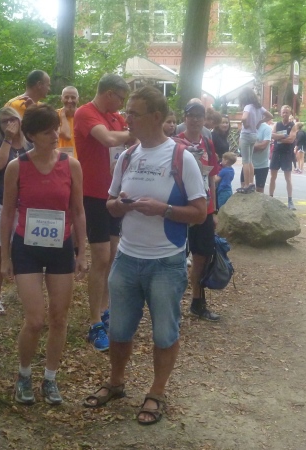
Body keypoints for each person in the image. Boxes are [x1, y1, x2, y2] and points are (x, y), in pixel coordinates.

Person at [83, 86, 207, 425]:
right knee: (119, 330)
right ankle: (116, 383)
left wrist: (163, 209)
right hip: (126, 258)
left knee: (164, 332)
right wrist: (120, 205)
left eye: (134, 113)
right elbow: (109, 204)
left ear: (155, 117)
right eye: (127, 112)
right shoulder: (127, 156)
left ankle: (156, 392)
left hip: (166, 262)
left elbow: (200, 212)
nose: (127, 119)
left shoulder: (182, 157)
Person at [0, 104, 88, 405]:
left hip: (60, 247)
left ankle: (50, 378)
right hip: (27, 248)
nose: (55, 135)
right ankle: (24, 374)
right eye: (48, 131)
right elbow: (7, 212)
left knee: (59, 317)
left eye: (56, 128)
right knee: (35, 319)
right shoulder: (17, 167)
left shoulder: (71, 165)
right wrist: (5, 257)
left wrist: (82, 251)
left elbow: (78, 210)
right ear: (32, 135)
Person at [74, 74, 133, 352]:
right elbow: (108, 139)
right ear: (109, 93)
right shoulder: (86, 113)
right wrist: (134, 133)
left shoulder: (116, 117)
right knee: (100, 257)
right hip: (93, 195)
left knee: (112, 255)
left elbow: (128, 145)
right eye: (120, 98)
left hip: (114, 194)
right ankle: (94, 322)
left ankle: (105, 308)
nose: (121, 104)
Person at [0, 107, 32, 315]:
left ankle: (25, 292)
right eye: (4, 121)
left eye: (13, 119)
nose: (10, 124)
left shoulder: (30, 143)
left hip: (25, 204)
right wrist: (8, 139)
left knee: (23, 249)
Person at [178, 103, 221, 321]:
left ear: (205, 119)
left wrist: (214, 210)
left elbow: (212, 177)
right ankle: (172, 304)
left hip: (203, 208)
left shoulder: (208, 144)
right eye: (191, 115)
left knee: (202, 256)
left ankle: (197, 301)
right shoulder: (176, 143)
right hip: (181, 207)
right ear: (185, 117)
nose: (195, 120)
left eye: (199, 116)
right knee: (176, 256)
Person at [236, 88, 272, 193]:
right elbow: (270, 116)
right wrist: (260, 121)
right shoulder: (259, 107)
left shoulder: (248, 107)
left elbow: (244, 118)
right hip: (254, 135)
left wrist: (245, 124)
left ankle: (246, 184)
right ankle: (251, 183)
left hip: (246, 135)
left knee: (245, 161)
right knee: (250, 160)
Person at [269, 106, 298, 210]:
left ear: (289, 113)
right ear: (281, 113)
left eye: (286, 112)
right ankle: (270, 198)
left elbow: (291, 139)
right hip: (276, 152)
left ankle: (290, 200)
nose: (285, 114)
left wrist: (278, 138)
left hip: (287, 153)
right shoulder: (277, 124)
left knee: (288, 178)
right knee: (273, 177)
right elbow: (272, 135)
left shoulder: (293, 125)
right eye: (283, 112)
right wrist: (284, 136)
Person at [240, 120, 271, 193]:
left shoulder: (267, 128)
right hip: (247, 164)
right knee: (244, 185)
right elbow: (241, 144)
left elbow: (263, 146)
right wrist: (254, 146)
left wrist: (248, 146)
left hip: (262, 165)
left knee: (259, 189)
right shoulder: (246, 126)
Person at [57, 85, 79, 156]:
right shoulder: (54, 115)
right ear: (61, 98)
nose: (69, 101)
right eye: (66, 97)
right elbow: (66, 136)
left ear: (78, 99)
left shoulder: (83, 116)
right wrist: (63, 116)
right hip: (60, 158)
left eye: (73, 97)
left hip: (81, 158)